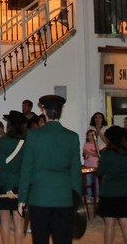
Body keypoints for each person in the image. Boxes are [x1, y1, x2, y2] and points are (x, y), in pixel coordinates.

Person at [18, 94, 81, 244]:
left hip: (39, 197)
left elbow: (26, 170)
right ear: (61, 112)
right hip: (64, 197)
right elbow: (76, 173)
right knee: (63, 240)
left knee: (40, 239)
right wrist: (77, 200)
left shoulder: (34, 136)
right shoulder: (72, 137)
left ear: (44, 111)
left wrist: (22, 198)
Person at [98, 126, 127, 244]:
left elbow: (100, 172)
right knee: (126, 223)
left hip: (109, 192)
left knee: (109, 224)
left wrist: (100, 163)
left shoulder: (106, 154)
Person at [0, 110, 28, 244]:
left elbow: (2, 165)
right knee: (19, 220)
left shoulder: (3, 141)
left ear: (10, 124)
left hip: (4, 183)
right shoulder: (26, 142)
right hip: (19, 184)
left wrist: (7, 187)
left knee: (4, 220)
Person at [81, 129, 99, 197]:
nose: (90, 137)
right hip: (87, 165)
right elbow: (83, 155)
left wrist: (89, 152)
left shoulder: (96, 144)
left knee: (96, 181)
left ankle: (97, 196)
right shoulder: (86, 144)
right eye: (89, 135)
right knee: (88, 181)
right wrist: (84, 154)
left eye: (92, 135)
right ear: (87, 136)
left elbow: (97, 154)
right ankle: (89, 196)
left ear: (95, 136)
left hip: (95, 166)